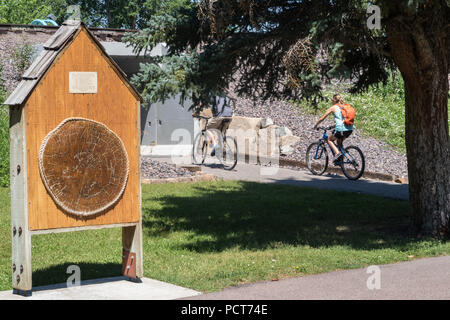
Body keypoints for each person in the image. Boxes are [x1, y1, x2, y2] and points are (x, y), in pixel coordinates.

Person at [313, 94, 353, 163]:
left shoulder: (333, 107)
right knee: (339, 142)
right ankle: (343, 159)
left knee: (329, 139)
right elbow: (342, 120)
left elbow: (322, 118)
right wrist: (333, 126)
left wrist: (316, 125)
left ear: (334, 100)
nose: (331, 101)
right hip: (349, 128)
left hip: (341, 129)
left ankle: (337, 154)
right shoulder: (344, 107)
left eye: (332, 100)